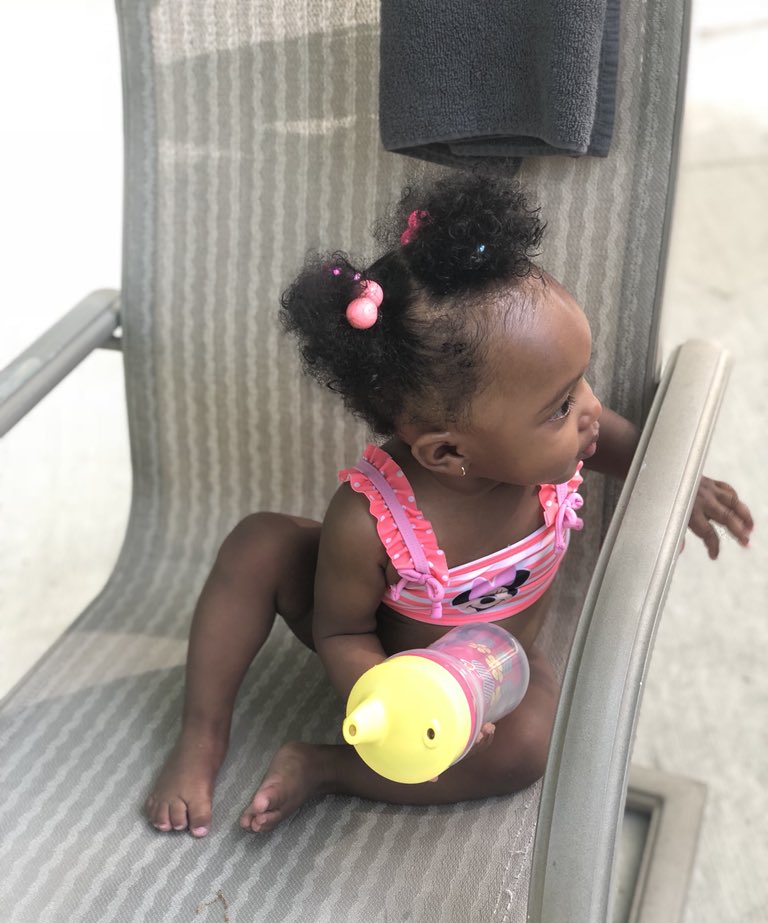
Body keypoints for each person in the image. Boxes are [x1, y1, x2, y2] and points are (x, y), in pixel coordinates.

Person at [145, 173, 753, 837]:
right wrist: (391, 700)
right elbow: (341, 633)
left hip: (495, 672)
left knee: (530, 748)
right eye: (560, 406)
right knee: (259, 544)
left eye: (580, 383)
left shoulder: (562, 447)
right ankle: (202, 735)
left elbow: (614, 441)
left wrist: (676, 480)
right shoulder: (369, 521)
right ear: (447, 452)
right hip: (387, 668)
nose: (591, 411)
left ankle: (323, 767)